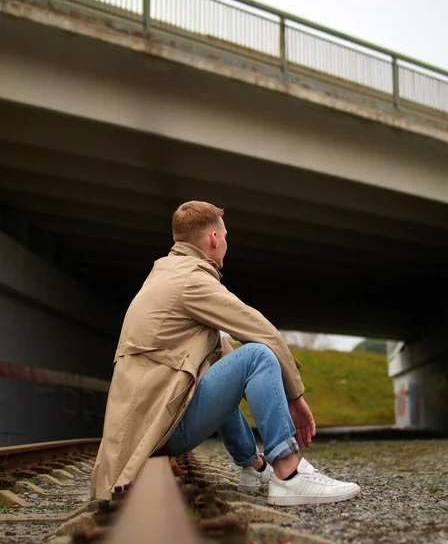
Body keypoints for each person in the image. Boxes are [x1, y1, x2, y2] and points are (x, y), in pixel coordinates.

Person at [91, 201, 360, 505]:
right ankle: (289, 474)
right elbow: (262, 331)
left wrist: (266, 390)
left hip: (149, 428)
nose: (226, 243)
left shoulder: (165, 274)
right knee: (258, 354)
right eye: (226, 236)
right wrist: (295, 397)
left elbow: (223, 357)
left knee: (221, 363)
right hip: (161, 431)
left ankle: (254, 468)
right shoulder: (191, 280)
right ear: (214, 239)